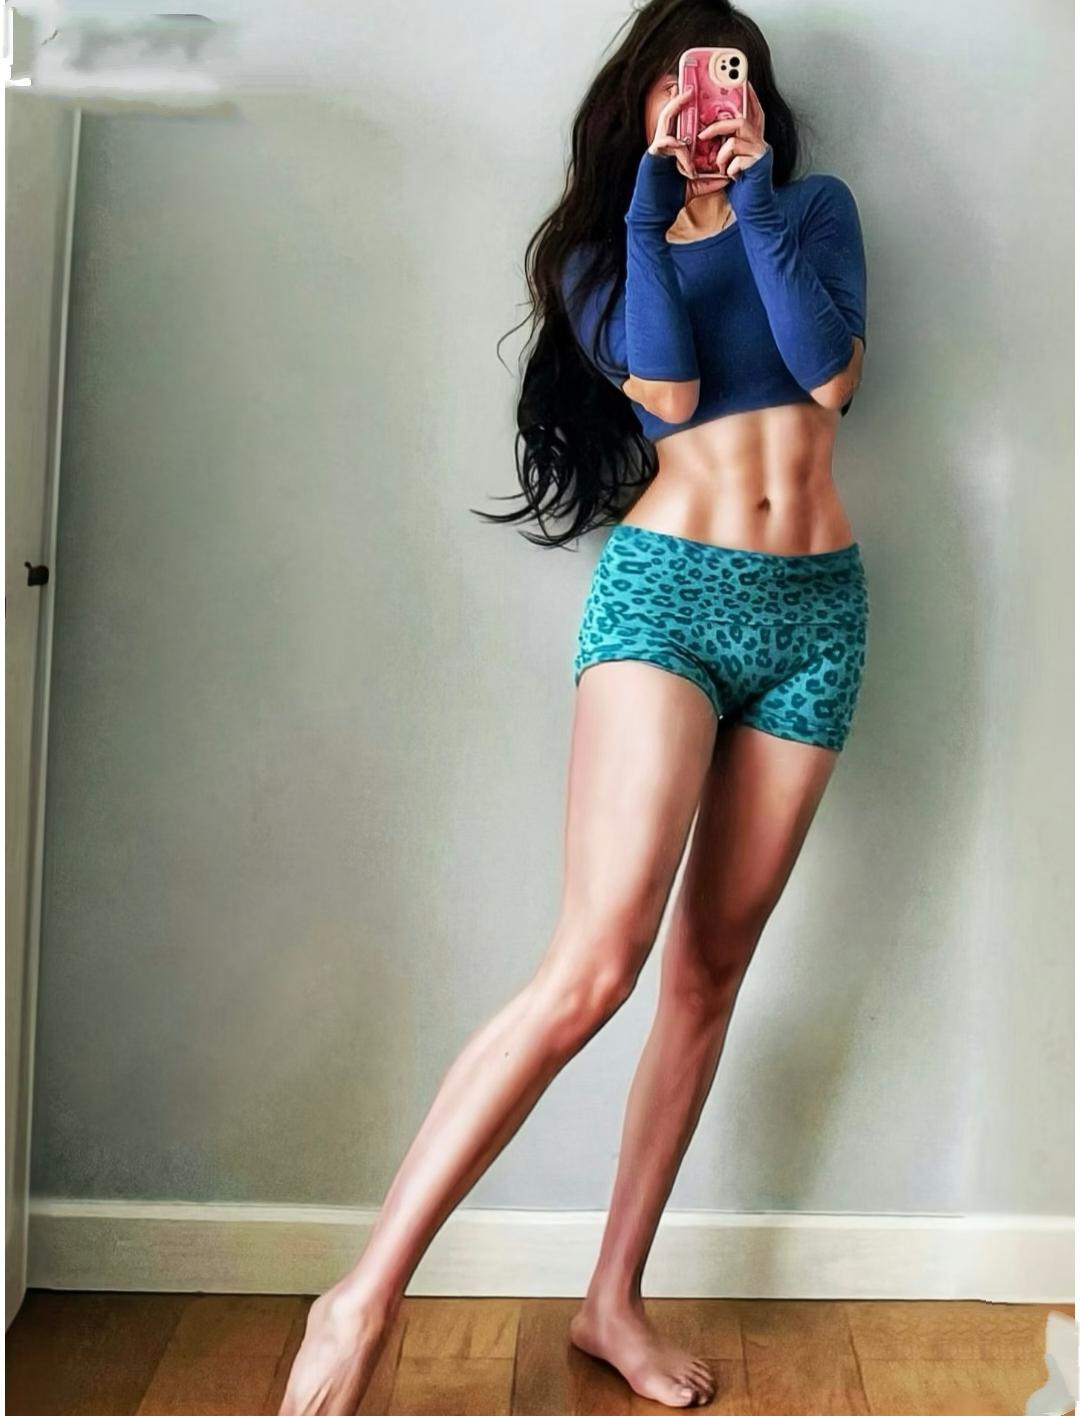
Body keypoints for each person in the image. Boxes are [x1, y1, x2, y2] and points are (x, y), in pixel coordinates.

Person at [279, 1, 868, 1411]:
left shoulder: (817, 212)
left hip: (819, 613)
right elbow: (665, 383)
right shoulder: (603, 254)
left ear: (754, 97)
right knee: (595, 966)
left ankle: (612, 1299)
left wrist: (756, 201)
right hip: (669, 600)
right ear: (641, 103)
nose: (704, 103)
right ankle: (359, 1302)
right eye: (678, 84)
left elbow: (831, 373)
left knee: (709, 975)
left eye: (725, 81)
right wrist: (659, 207)